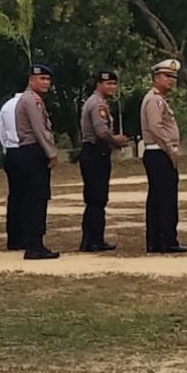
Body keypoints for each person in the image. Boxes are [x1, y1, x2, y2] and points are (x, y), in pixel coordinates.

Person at [142, 59, 187, 254]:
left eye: (174, 77)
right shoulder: (155, 100)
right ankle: (166, 239)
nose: (171, 81)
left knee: (159, 197)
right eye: (167, 76)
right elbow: (156, 127)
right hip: (159, 152)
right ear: (156, 77)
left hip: (158, 152)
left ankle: (158, 239)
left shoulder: (158, 99)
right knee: (165, 198)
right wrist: (170, 149)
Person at [79, 71, 129, 251]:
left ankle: (92, 239)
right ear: (98, 84)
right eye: (108, 84)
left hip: (95, 153)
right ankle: (93, 241)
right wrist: (116, 140)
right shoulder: (97, 104)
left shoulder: (98, 102)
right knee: (96, 198)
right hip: (95, 153)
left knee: (96, 198)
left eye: (114, 84)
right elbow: (101, 132)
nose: (112, 87)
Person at [14, 64, 60, 259]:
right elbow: (39, 129)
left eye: (48, 80)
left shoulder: (29, 99)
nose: (46, 83)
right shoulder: (32, 100)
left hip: (29, 152)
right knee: (36, 199)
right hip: (34, 152)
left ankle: (34, 243)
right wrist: (51, 152)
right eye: (42, 79)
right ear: (31, 80)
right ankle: (35, 245)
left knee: (34, 199)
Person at [0, 90, 23, 250]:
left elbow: (2, 133)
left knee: (14, 197)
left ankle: (14, 238)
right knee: (30, 197)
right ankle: (28, 235)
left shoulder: (6, 106)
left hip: (11, 151)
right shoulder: (31, 104)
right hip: (26, 149)